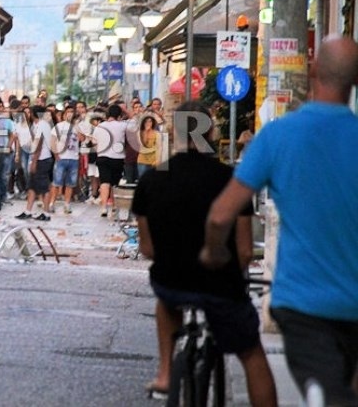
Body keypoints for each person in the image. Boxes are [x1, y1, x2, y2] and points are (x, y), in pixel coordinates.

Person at [202, 34, 358, 405]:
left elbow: (221, 215)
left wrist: (213, 254)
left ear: (313, 69)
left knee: (325, 389)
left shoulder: (279, 136)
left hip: (302, 301)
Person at [133, 101, 277, 405]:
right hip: (221, 286)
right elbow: (245, 250)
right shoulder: (230, 180)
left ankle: (164, 373)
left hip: (170, 281)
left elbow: (147, 249)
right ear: (210, 131)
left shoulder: (151, 180)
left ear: (173, 131)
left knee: (166, 302)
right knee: (251, 352)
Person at [15, 105, 53, 221]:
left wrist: (34, 161)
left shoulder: (42, 125)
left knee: (43, 187)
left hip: (42, 159)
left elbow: (39, 143)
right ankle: (28, 210)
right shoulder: (37, 125)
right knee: (32, 186)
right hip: (38, 158)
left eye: (30, 112)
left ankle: (46, 213)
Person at [92, 104, 128, 217]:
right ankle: (114, 206)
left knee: (104, 182)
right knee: (114, 183)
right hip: (118, 158)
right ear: (119, 115)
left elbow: (94, 142)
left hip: (102, 157)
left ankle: (103, 207)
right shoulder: (123, 125)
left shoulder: (100, 126)